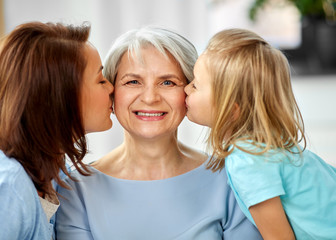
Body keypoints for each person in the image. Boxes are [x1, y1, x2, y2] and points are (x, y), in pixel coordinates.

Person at [55, 26, 262, 240]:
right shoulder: (75, 188)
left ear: (191, 91)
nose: (150, 98)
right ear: (112, 91)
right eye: (133, 81)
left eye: (167, 82)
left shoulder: (231, 178)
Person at [184, 28, 336, 239]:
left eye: (195, 85)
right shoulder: (271, 145)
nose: (186, 89)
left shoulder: (247, 161)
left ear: (231, 109)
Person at [0, 21, 114, 239]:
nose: (111, 88)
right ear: (62, 97)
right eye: (101, 80)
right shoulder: (5, 186)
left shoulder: (54, 170)